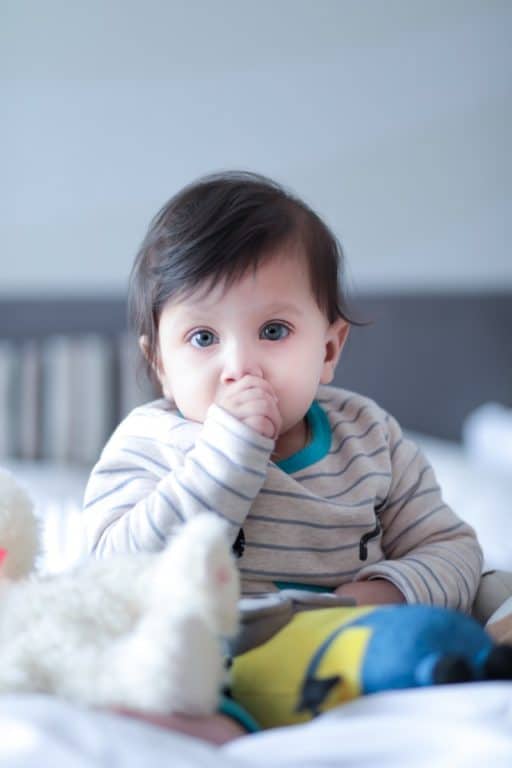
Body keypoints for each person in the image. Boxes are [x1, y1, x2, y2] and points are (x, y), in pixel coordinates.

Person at [83, 170, 483, 739]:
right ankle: (218, 726)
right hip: (211, 657)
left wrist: (391, 590)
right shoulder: (150, 443)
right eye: (203, 338)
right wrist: (228, 456)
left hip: (345, 640)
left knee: (488, 594)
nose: (240, 367)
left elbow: (452, 547)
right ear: (160, 366)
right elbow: (112, 572)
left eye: (273, 331)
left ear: (329, 349)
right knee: (143, 676)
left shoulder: (369, 436)